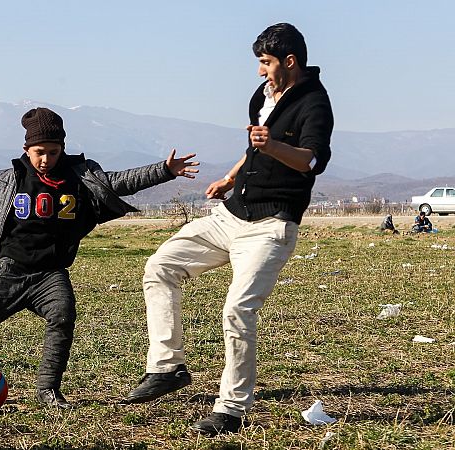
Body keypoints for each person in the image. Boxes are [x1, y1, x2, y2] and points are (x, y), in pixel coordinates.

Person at [0, 107, 199, 409]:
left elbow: (121, 181)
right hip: (11, 271)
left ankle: (48, 389)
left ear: (62, 148)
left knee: (62, 316)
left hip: (51, 273)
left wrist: (164, 171)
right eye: (39, 153)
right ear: (26, 149)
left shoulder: (81, 178)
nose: (46, 159)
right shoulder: (7, 181)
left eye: (52, 151)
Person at [123, 23, 333, 436]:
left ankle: (231, 410)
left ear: (290, 62)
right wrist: (232, 177)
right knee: (160, 266)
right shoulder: (263, 95)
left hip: (271, 226)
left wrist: (272, 145)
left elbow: (310, 161)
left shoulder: (316, 105)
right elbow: (254, 143)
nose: (260, 72)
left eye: (266, 63)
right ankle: (167, 368)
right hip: (231, 216)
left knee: (238, 311)